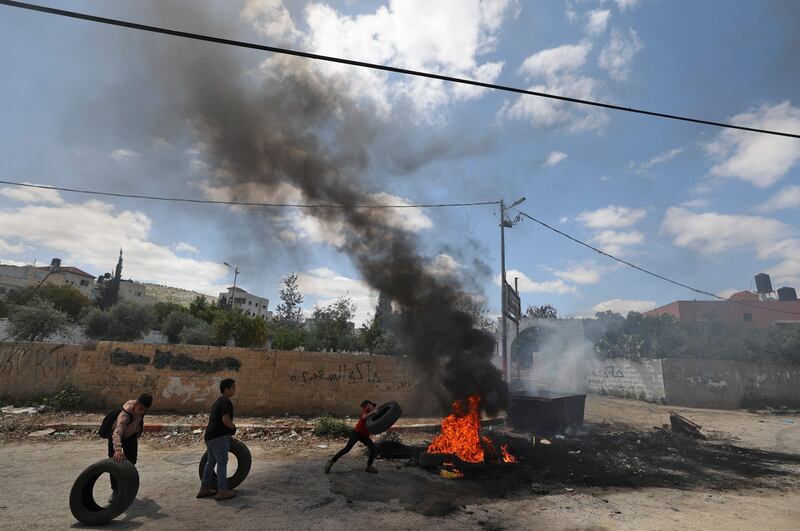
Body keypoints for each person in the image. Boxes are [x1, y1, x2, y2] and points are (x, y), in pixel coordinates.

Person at [197, 378, 237, 501]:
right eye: (233, 388)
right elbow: (225, 419)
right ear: (226, 389)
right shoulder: (226, 401)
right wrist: (233, 427)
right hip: (219, 437)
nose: (234, 390)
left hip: (210, 436)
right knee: (221, 463)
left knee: (210, 462)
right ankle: (222, 490)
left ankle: (204, 488)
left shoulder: (218, 401)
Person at [108, 393, 152, 493]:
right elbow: (116, 434)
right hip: (116, 436)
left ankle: (126, 486)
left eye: (145, 410)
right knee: (114, 463)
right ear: (136, 404)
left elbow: (139, 421)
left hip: (130, 435)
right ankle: (115, 490)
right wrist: (118, 450)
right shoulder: (125, 415)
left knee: (131, 461)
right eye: (141, 409)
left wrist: (138, 433)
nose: (142, 412)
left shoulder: (141, 409)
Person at [325, 400, 379, 474]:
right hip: (356, 433)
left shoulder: (372, 414)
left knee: (373, 448)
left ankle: (368, 466)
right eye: (372, 405)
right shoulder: (366, 410)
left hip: (364, 436)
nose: (373, 407)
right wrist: (372, 412)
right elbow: (364, 417)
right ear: (368, 405)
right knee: (347, 449)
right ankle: (331, 462)